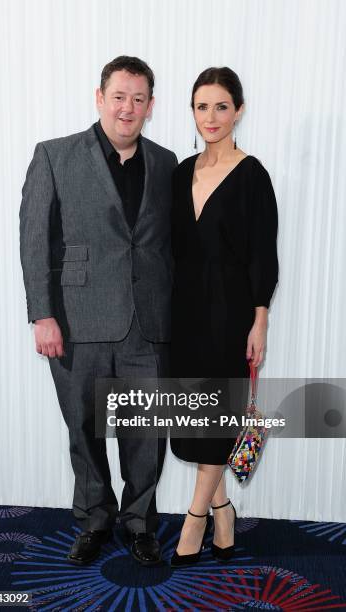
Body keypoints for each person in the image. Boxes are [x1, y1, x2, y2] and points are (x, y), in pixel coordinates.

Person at [20, 56, 177, 566]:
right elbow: (34, 241)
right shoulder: (54, 155)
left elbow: (170, 247)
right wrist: (42, 314)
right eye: (119, 96)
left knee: (145, 434)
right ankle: (94, 518)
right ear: (99, 97)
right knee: (83, 430)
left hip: (146, 324)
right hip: (76, 321)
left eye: (138, 99)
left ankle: (137, 523)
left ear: (150, 106)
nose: (127, 108)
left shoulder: (166, 161)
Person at [169, 67, 278, 566]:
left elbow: (262, 254)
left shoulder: (252, 174)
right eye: (200, 106)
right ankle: (224, 512)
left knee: (215, 418)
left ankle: (195, 520)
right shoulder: (179, 172)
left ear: (239, 110)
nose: (209, 117)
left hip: (231, 313)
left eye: (220, 106)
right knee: (193, 418)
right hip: (184, 312)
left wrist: (260, 319)